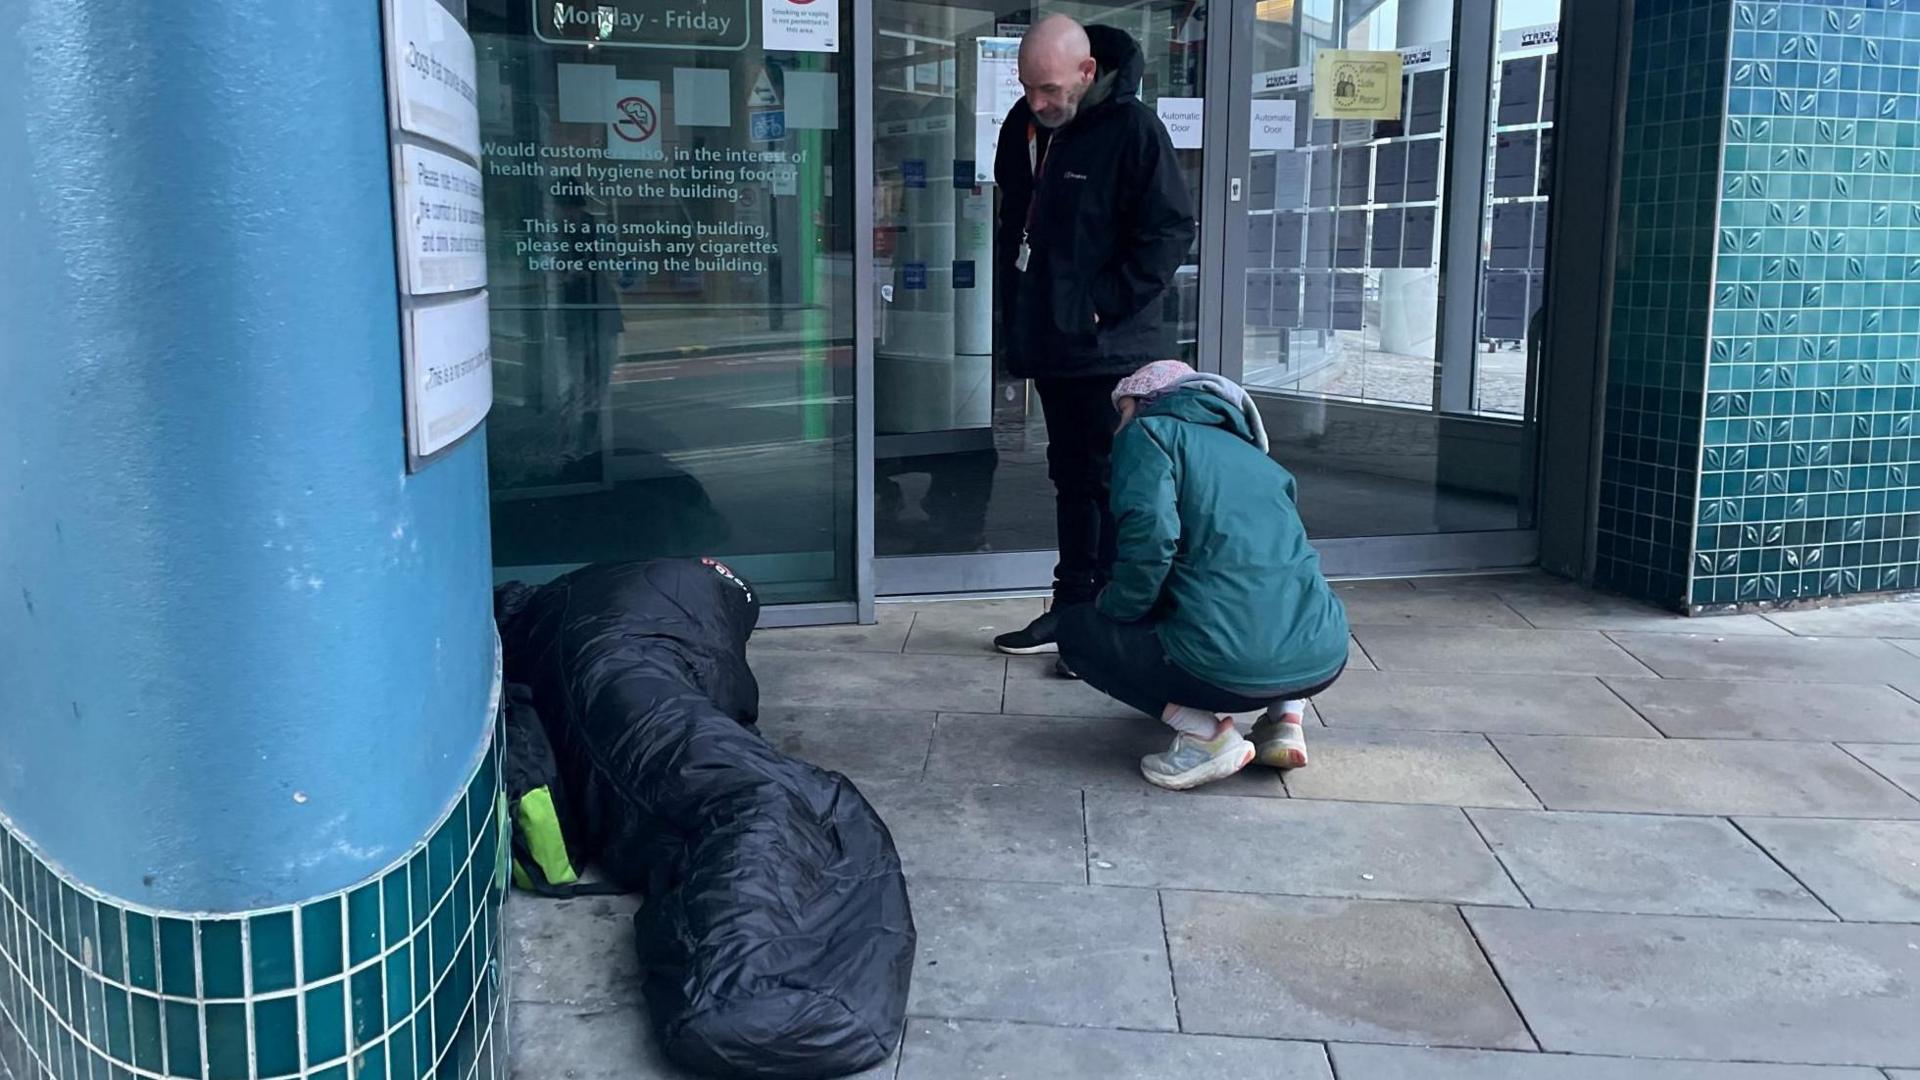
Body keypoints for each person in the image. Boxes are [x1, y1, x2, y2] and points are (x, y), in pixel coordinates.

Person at [989, 15, 1198, 657]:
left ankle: (1109, 624)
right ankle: (1072, 609)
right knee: (1070, 475)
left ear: (1087, 72)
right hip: (1052, 338)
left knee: (1113, 484)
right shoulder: (1024, 128)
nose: (1038, 102)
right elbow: (1014, 220)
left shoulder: (1133, 130)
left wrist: (1102, 307)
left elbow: (1169, 230)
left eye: (1049, 88)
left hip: (1111, 349)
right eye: (1028, 88)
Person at [1056, 361, 1351, 791]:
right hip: (1323, 657)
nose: (1116, 424)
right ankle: (1285, 721)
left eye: (1120, 410)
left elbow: (1150, 543)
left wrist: (1115, 608)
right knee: (1266, 594)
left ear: (1144, 402)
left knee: (1079, 630)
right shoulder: (1257, 456)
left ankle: (1206, 737)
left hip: (1228, 666)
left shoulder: (1150, 433)